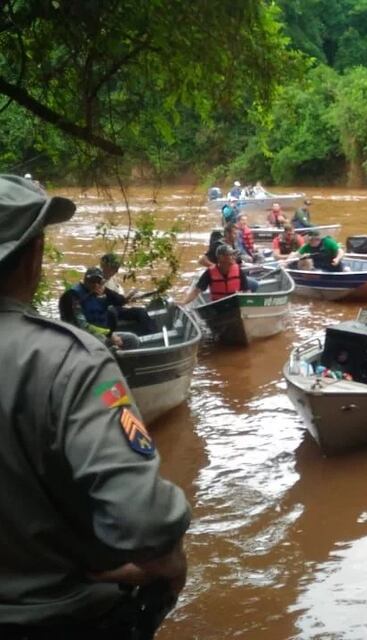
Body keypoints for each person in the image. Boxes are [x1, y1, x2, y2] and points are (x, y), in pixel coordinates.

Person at [0, 175, 190, 636]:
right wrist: (165, 564)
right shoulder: (70, 361)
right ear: (34, 254)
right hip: (56, 616)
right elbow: (142, 521)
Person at [59, 267, 156, 349]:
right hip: (83, 337)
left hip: (104, 334)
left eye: (98, 281)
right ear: (85, 280)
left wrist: (108, 292)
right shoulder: (73, 296)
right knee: (104, 345)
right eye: (92, 281)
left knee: (132, 339)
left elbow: (120, 301)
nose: (95, 284)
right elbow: (82, 325)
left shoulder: (101, 291)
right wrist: (109, 334)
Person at [180, 244, 259, 305]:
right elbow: (196, 291)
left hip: (235, 304)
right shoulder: (209, 273)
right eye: (230, 255)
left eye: (233, 254)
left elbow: (246, 290)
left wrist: (249, 303)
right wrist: (183, 302)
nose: (233, 257)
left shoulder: (238, 270)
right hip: (219, 306)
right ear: (221, 257)